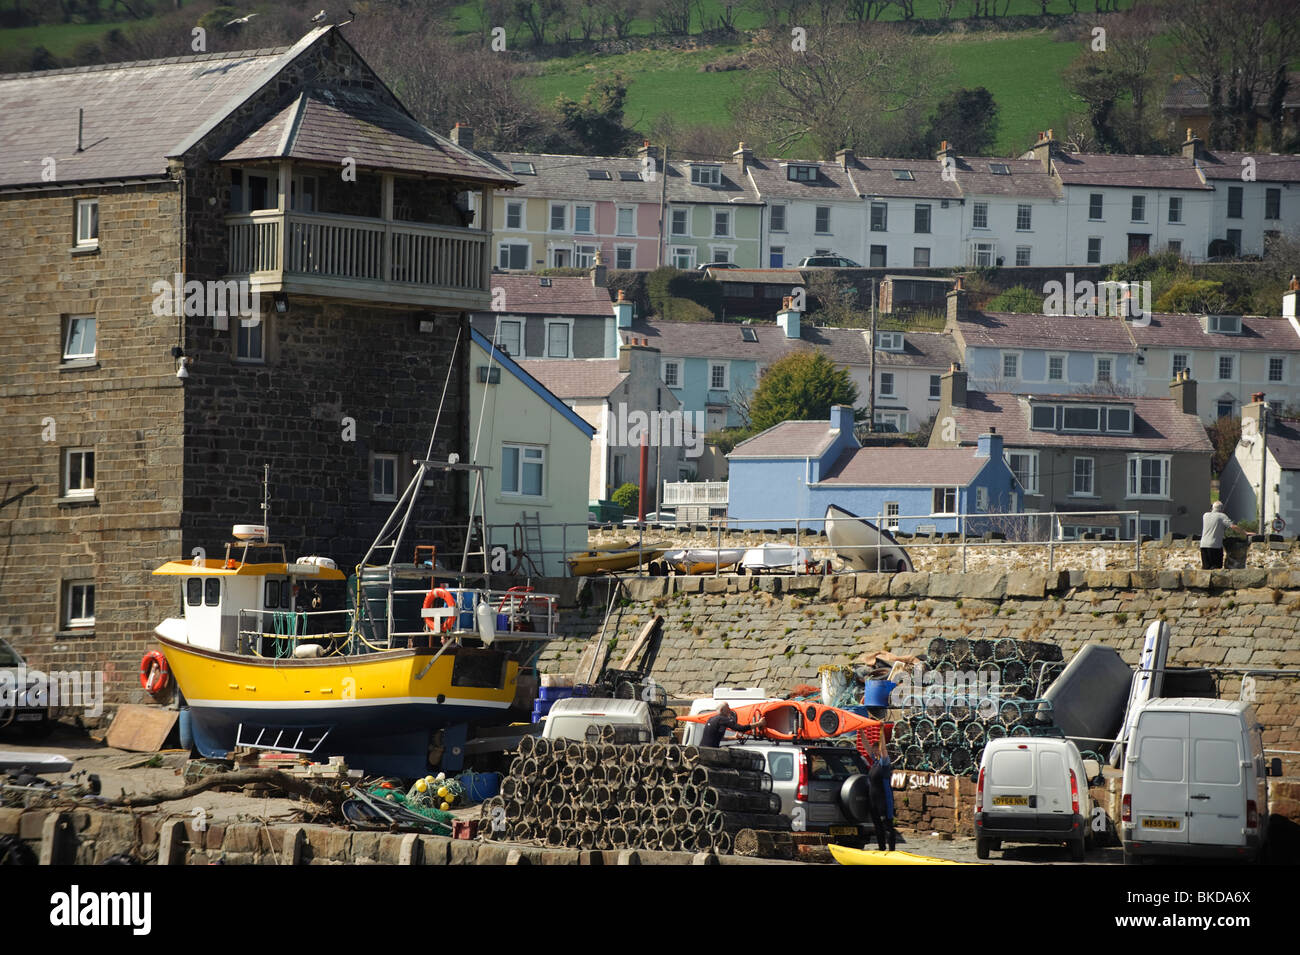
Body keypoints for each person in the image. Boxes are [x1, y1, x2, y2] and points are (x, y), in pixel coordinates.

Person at [865, 734, 897, 852]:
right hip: (873, 799)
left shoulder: (884, 762)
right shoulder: (875, 762)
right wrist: (861, 730)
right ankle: (881, 848)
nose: (874, 750)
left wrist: (882, 731)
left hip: (884, 799)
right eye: (874, 749)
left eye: (876, 748)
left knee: (887, 825)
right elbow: (866, 746)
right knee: (877, 825)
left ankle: (892, 850)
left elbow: (883, 749)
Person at [699, 702, 765, 748]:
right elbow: (740, 728)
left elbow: (718, 738)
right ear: (722, 710)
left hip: (702, 749)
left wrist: (734, 738)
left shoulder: (711, 719)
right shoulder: (722, 719)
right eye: (728, 709)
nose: (730, 710)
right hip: (710, 751)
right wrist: (759, 724)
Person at [1200, 501, 1244, 569]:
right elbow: (1232, 526)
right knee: (1216, 568)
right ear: (1221, 509)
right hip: (1215, 546)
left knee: (1206, 568)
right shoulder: (1222, 516)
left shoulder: (1205, 515)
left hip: (1203, 545)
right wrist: (1245, 532)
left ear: (1212, 507)